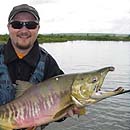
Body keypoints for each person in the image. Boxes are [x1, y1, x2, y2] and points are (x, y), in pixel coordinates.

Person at [0, 3, 68, 129]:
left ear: (38, 28)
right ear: (9, 27)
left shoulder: (48, 63)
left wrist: (66, 110)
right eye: (17, 24)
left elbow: (60, 115)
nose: (24, 30)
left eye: (31, 25)